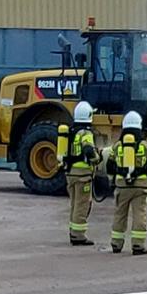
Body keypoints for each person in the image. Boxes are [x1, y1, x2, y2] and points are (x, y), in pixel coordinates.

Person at [105, 110, 147, 255]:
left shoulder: (117, 146)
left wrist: (111, 181)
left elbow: (110, 165)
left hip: (122, 186)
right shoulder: (145, 146)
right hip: (140, 186)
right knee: (139, 215)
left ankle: (116, 244)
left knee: (119, 215)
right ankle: (138, 246)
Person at [60, 101, 100, 246]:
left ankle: (73, 231)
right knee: (82, 205)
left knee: (74, 204)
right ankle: (78, 235)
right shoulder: (86, 133)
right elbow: (88, 150)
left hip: (70, 173)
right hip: (82, 175)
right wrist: (96, 159)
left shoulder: (71, 131)